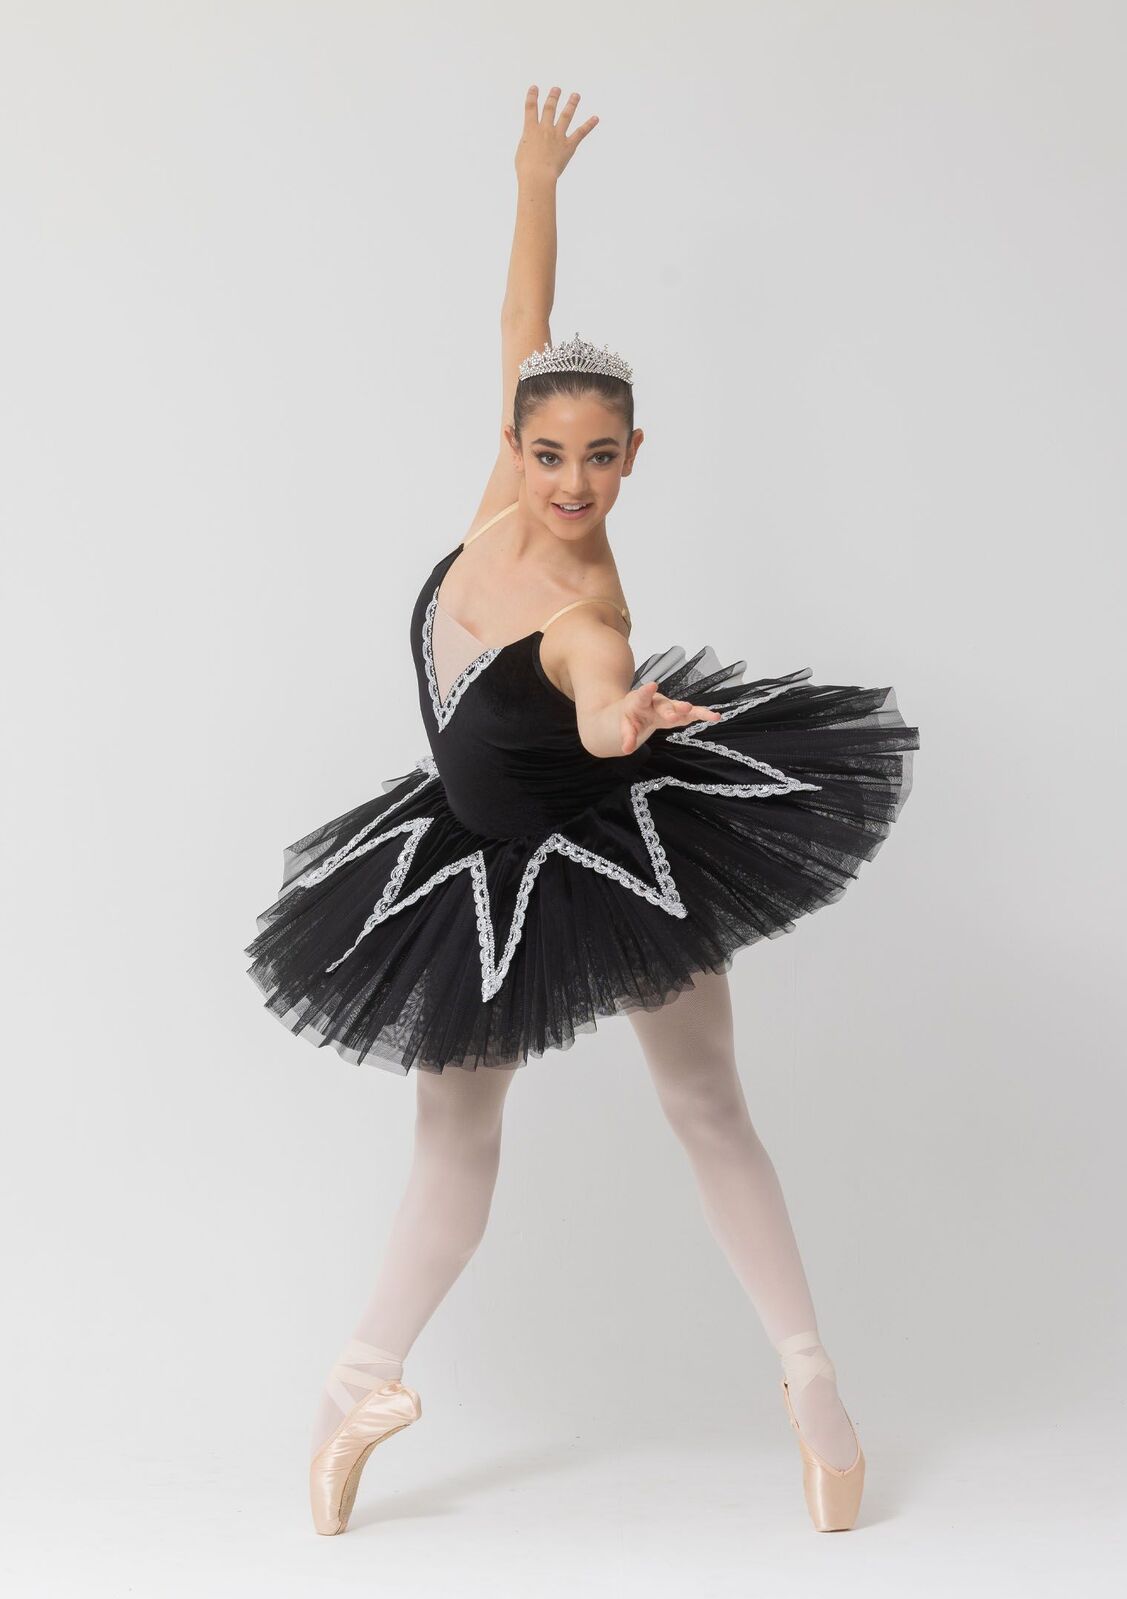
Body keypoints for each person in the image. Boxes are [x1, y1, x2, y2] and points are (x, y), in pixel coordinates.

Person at [244, 85, 919, 1537]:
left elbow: (602, 703)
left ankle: (814, 1388)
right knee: (453, 1142)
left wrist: (629, 722)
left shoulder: (587, 612)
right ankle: (354, 1388)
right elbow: (524, 317)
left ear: (633, 456)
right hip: (468, 868)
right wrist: (535, 179)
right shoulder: (503, 495)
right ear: (516, 442)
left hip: (607, 857)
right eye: (549, 452)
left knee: (706, 1104)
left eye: (599, 459)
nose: (569, 483)